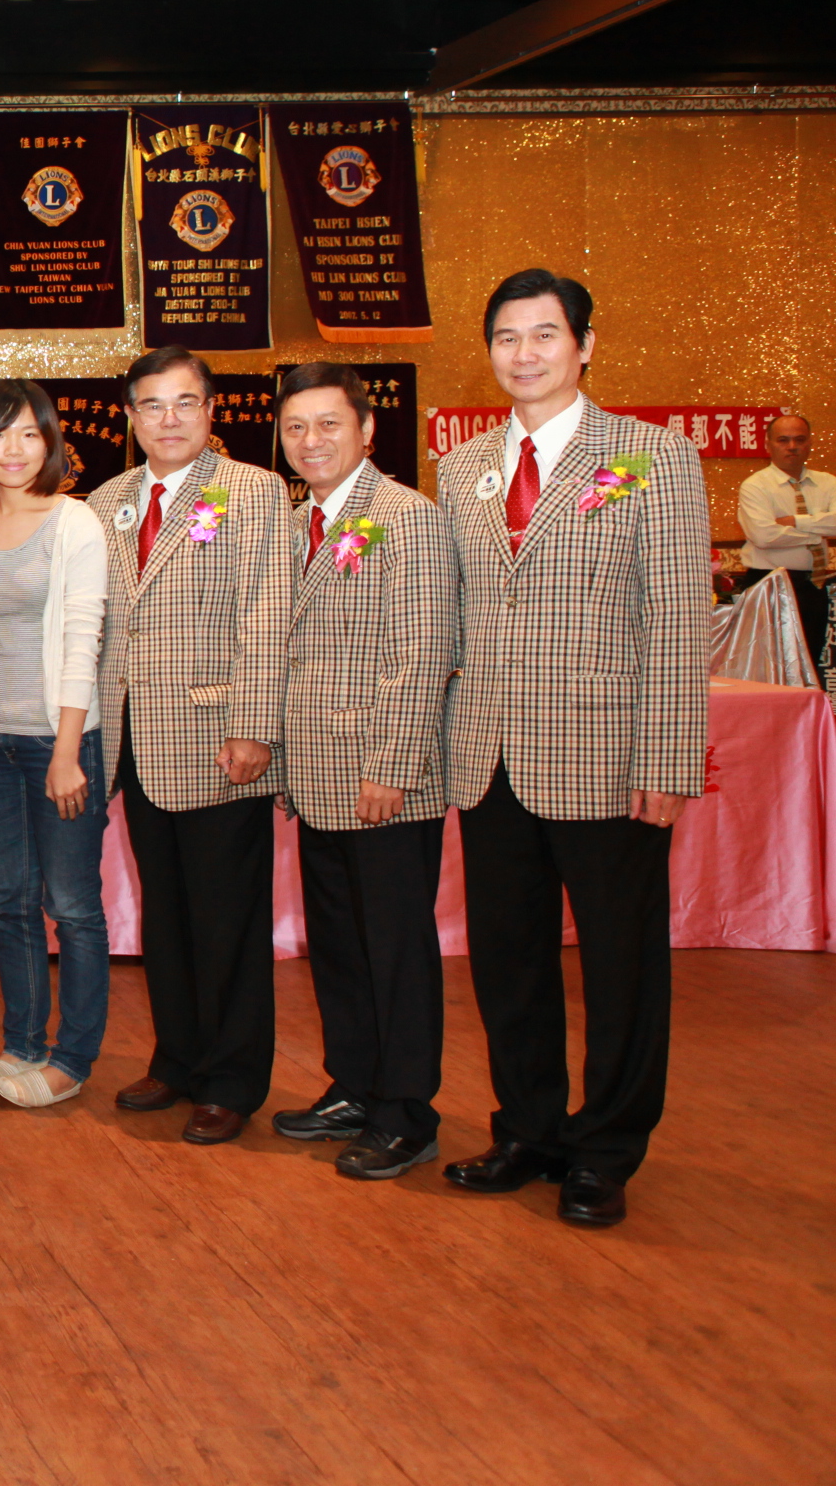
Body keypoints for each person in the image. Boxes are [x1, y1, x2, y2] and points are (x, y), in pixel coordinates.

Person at [436, 269, 706, 1228]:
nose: (525, 354)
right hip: (490, 759)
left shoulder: (650, 457)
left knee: (621, 967)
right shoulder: (462, 468)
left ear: (584, 346)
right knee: (508, 960)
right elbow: (457, 614)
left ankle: (607, 1150)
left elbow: (677, 619)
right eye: (507, 337)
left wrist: (668, 764)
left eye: (545, 335)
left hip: (608, 760)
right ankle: (529, 1131)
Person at [90, 345, 294, 1148]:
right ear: (130, 416)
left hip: (218, 742)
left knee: (227, 920)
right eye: (152, 405)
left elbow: (268, 614)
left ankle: (232, 1080)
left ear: (211, 411)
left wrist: (254, 725)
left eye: (184, 403)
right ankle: (177, 1059)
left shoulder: (253, 490)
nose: (168, 419)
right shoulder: (107, 500)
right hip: (136, 744)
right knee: (166, 914)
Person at [271, 364, 457, 1180]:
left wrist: (394, 765)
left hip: (384, 780)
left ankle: (406, 1112)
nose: (310, 441)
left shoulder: (407, 518)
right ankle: (354, 1085)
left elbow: (422, 652)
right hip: (317, 776)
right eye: (295, 428)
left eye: (328, 424)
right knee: (340, 945)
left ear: (367, 429)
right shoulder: (295, 521)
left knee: (395, 951)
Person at [0, 380, 111, 1111]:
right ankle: (21, 1047)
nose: (12, 449)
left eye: (28, 433)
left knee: (72, 905)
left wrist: (67, 750)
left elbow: (83, 638)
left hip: (59, 739)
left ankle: (71, 1060)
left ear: (50, 442)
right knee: (9, 901)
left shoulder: (75, 523)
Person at [735, 413, 834, 679]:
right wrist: (816, 534)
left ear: (810, 443)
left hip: (813, 585)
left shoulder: (828, 482)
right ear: (767, 445)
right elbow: (764, 536)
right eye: (783, 440)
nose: (792, 446)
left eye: (799, 440)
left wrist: (795, 522)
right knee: (769, 668)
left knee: (808, 665)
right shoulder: (756, 486)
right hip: (768, 585)